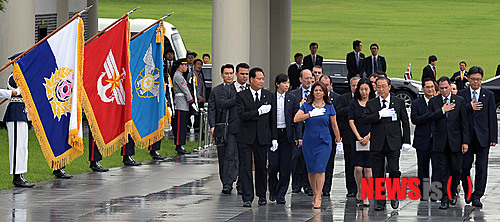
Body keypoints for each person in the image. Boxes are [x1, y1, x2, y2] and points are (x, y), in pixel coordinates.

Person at [363, 77, 411, 211]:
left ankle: (394, 195)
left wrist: (406, 140)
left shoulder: (398, 102)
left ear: (389, 87)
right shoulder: (372, 104)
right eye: (378, 87)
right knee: (378, 173)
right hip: (377, 143)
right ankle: (380, 201)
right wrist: (379, 114)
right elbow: (365, 119)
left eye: (384, 86)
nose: (381, 89)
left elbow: (405, 122)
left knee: (394, 170)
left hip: (393, 142)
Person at [294, 81, 341, 209]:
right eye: (316, 90)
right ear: (312, 92)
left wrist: (339, 140)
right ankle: (314, 193)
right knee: (311, 170)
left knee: (320, 168)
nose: (318, 93)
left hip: (324, 140)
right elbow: (296, 118)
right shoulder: (307, 106)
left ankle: (319, 195)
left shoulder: (329, 107)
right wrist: (310, 114)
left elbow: (334, 125)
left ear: (324, 92)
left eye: (321, 90)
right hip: (309, 140)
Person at [236, 67, 277, 207]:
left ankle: (261, 194)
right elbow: (242, 115)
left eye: (263, 79)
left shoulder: (269, 95)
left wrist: (274, 138)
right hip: (246, 137)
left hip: (262, 136)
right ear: (251, 79)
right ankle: (247, 197)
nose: (261, 81)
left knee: (261, 167)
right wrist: (258, 112)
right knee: (246, 167)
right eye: (258, 79)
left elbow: (273, 119)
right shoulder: (242, 96)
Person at [426, 76, 469, 209]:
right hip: (440, 142)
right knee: (442, 171)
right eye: (442, 88)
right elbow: (429, 117)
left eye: (446, 88)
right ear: (438, 87)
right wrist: (442, 110)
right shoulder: (434, 101)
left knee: (456, 169)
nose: (444, 90)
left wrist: (465, 142)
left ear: (450, 87)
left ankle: (454, 191)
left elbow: (464, 123)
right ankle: (445, 197)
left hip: (456, 141)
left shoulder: (459, 101)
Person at [458, 66, 497, 208]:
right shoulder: (462, 94)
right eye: (473, 79)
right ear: (468, 79)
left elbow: (492, 116)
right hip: (466, 139)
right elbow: (458, 113)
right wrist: (469, 107)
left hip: (483, 137)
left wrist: (493, 137)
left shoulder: (488, 95)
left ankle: (477, 195)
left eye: (479, 79)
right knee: (464, 167)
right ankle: (468, 191)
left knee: (481, 167)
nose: (476, 82)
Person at [268, 74, 301, 204]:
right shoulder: (271, 98)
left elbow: (297, 119)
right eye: (284, 83)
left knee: (285, 166)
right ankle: (272, 189)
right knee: (273, 165)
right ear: (277, 84)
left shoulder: (292, 98)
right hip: (274, 135)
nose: (286, 85)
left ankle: (281, 193)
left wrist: (299, 136)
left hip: (287, 135)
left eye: (288, 83)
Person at [208, 64, 239, 194]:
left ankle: (231, 180)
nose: (229, 76)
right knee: (224, 156)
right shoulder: (216, 91)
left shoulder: (238, 89)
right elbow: (212, 109)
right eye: (226, 73)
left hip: (235, 127)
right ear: (222, 75)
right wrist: (212, 125)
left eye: (231, 73)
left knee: (233, 156)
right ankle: (226, 182)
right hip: (221, 127)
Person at [348, 78, 375, 206]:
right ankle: (359, 189)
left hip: (371, 138)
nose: (364, 92)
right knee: (358, 168)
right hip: (357, 138)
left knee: (368, 168)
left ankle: (366, 194)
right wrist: (359, 137)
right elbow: (351, 120)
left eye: (366, 89)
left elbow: (376, 122)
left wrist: (368, 136)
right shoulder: (354, 103)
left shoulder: (374, 103)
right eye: (361, 89)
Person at [3, 75, 34, 187]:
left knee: (22, 146)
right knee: (17, 146)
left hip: (22, 112)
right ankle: (17, 177)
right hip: (15, 112)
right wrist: (12, 93)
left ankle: (20, 175)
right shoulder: (14, 77)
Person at [410, 78, 437, 200]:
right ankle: (424, 193)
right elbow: (415, 119)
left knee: (438, 167)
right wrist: (430, 116)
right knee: (422, 168)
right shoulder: (417, 103)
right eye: (428, 87)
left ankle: (437, 192)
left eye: (432, 87)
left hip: (437, 140)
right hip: (422, 140)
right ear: (423, 88)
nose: (430, 89)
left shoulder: (439, 102)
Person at [290, 69, 315, 196]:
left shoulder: (316, 93)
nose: (309, 81)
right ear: (300, 79)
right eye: (306, 78)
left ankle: (308, 185)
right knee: (296, 157)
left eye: (311, 78)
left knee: (309, 157)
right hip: (297, 128)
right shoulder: (294, 94)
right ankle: (296, 185)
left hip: (311, 129)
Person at [336, 76, 360, 197]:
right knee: (349, 162)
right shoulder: (344, 98)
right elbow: (339, 111)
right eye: (353, 85)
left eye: (357, 85)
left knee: (362, 164)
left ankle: (363, 188)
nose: (356, 88)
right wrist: (351, 108)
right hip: (348, 135)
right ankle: (351, 189)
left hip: (361, 136)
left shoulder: (365, 98)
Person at [318, 74, 341, 197]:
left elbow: (338, 120)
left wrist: (338, 138)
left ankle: (326, 188)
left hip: (330, 136)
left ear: (331, 85)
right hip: (316, 135)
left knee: (329, 162)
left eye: (327, 85)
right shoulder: (314, 98)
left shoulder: (337, 98)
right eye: (323, 85)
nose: (325, 87)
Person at [172, 58, 196, 155]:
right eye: (185, 65)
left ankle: (181, 144)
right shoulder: (178, 76)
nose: (186, 67)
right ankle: (179, 145)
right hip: (180, 103)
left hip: (183, 103)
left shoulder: (181, 76)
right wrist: (191, 101)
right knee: (180, 126)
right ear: (180, 65)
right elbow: (185, 90)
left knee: (183, 125)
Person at [187, 59, 206, 131]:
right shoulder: (191, 74)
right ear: (194, 65)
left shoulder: (201, 74)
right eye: (198, 64)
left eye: (201, 64)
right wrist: (197, 96)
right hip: (194, 98)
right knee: (194, 113)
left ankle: (199, 127)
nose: (199, 66)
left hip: (201, 97)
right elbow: (191, 87)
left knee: (200, 114)